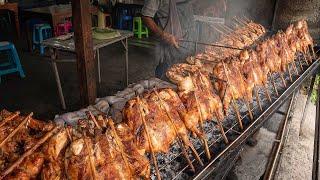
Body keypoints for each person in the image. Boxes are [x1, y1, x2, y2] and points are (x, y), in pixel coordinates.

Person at [142, 0, 198, 80]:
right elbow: (145, 16)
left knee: (189, 78)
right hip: (170, 46)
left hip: (189, 41)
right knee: (166, 78)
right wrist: (162, 34)